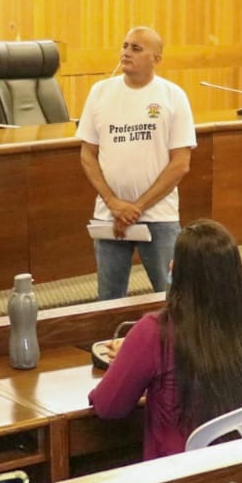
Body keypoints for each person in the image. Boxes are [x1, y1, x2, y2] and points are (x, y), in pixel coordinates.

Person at [89, 221, 242, 459]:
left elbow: (108, 406)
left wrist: (127, 360)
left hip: (181, 479)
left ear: (177, 270)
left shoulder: (155, 330)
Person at [78, 27, 196, 301]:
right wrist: (114, 203)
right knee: (108, 300)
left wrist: (137, 207)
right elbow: (87, 155)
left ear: (157, 58)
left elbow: (181, 164)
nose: (126, 53)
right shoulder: (100, 93)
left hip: (159, 217)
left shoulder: (173, 96)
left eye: (136, 48)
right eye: (125, 46)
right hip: (109, 216)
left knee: (172, 297)